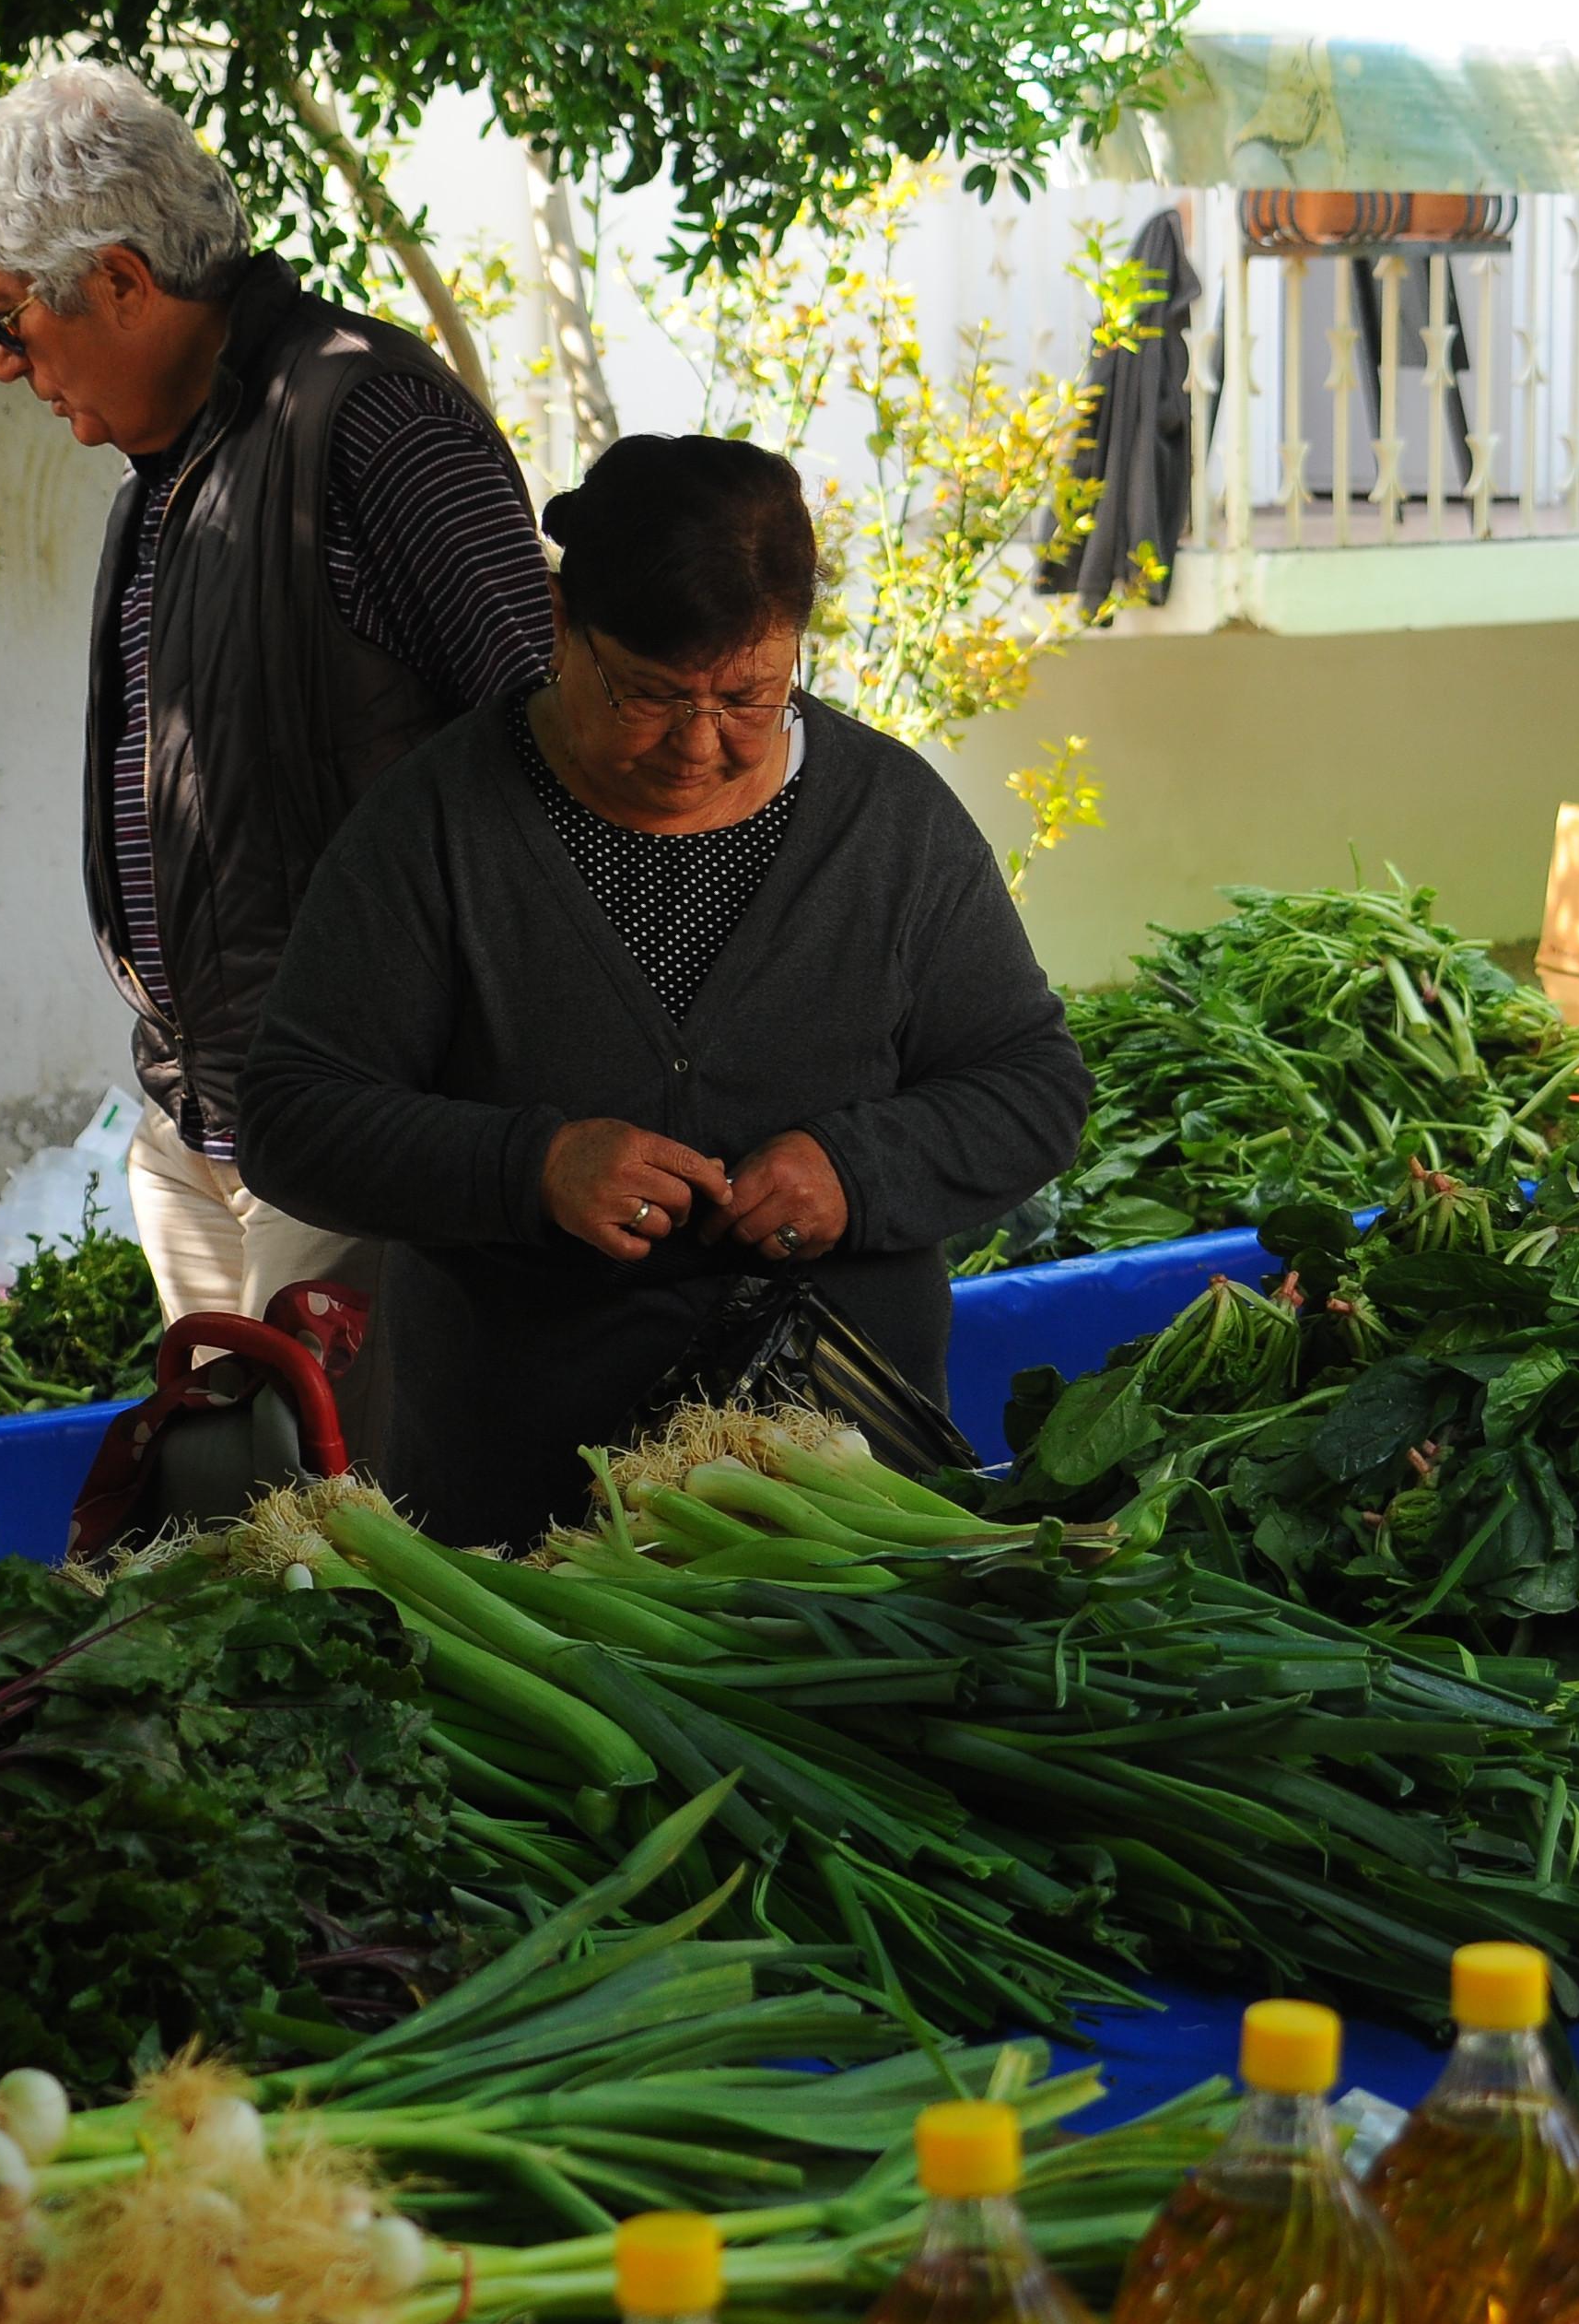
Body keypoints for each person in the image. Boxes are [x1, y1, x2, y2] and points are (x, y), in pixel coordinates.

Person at [238, 436, 1092, 1544]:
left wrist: (859, 1169)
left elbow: (1033, 1087)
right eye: (646, 694)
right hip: (524, 1515)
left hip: (847, 1512)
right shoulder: (436, 829)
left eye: (748, 696)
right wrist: (530, 1167)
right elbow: (293, 1118)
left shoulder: (891, 823)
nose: (698, 744)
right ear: (561, 622)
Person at [0, 63, 551, 1454]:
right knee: (235, 1530)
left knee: (348, 1534)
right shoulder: (170, 472)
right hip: (202, 1122)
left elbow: (550, 748)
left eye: (2, 315)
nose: (1, 361)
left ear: (120, 280)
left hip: (361, 1124)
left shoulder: (367, 417)